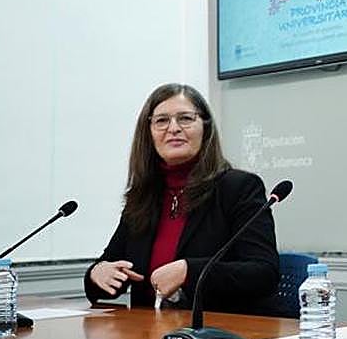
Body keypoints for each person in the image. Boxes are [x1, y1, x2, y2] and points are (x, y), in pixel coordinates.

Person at [85, 84, 279, 311]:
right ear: (148, 133)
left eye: (185, 118)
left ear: (205, 127)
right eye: (161, 121)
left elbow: (264, 273)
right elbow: (109, 272)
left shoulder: (238, 188)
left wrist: (189, 271)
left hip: (215, 329)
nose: (174, 128)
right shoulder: (143, 196)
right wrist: (97, 273)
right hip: (148, 330)